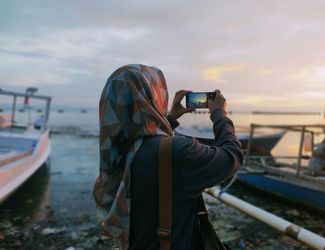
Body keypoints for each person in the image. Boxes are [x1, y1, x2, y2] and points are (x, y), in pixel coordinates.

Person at [93, 64, 244, 250]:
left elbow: (150, 144)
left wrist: (169, 119)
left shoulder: (117, 152)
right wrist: (219, 115)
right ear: (154, 98)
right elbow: (232, 157)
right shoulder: (178, 151)